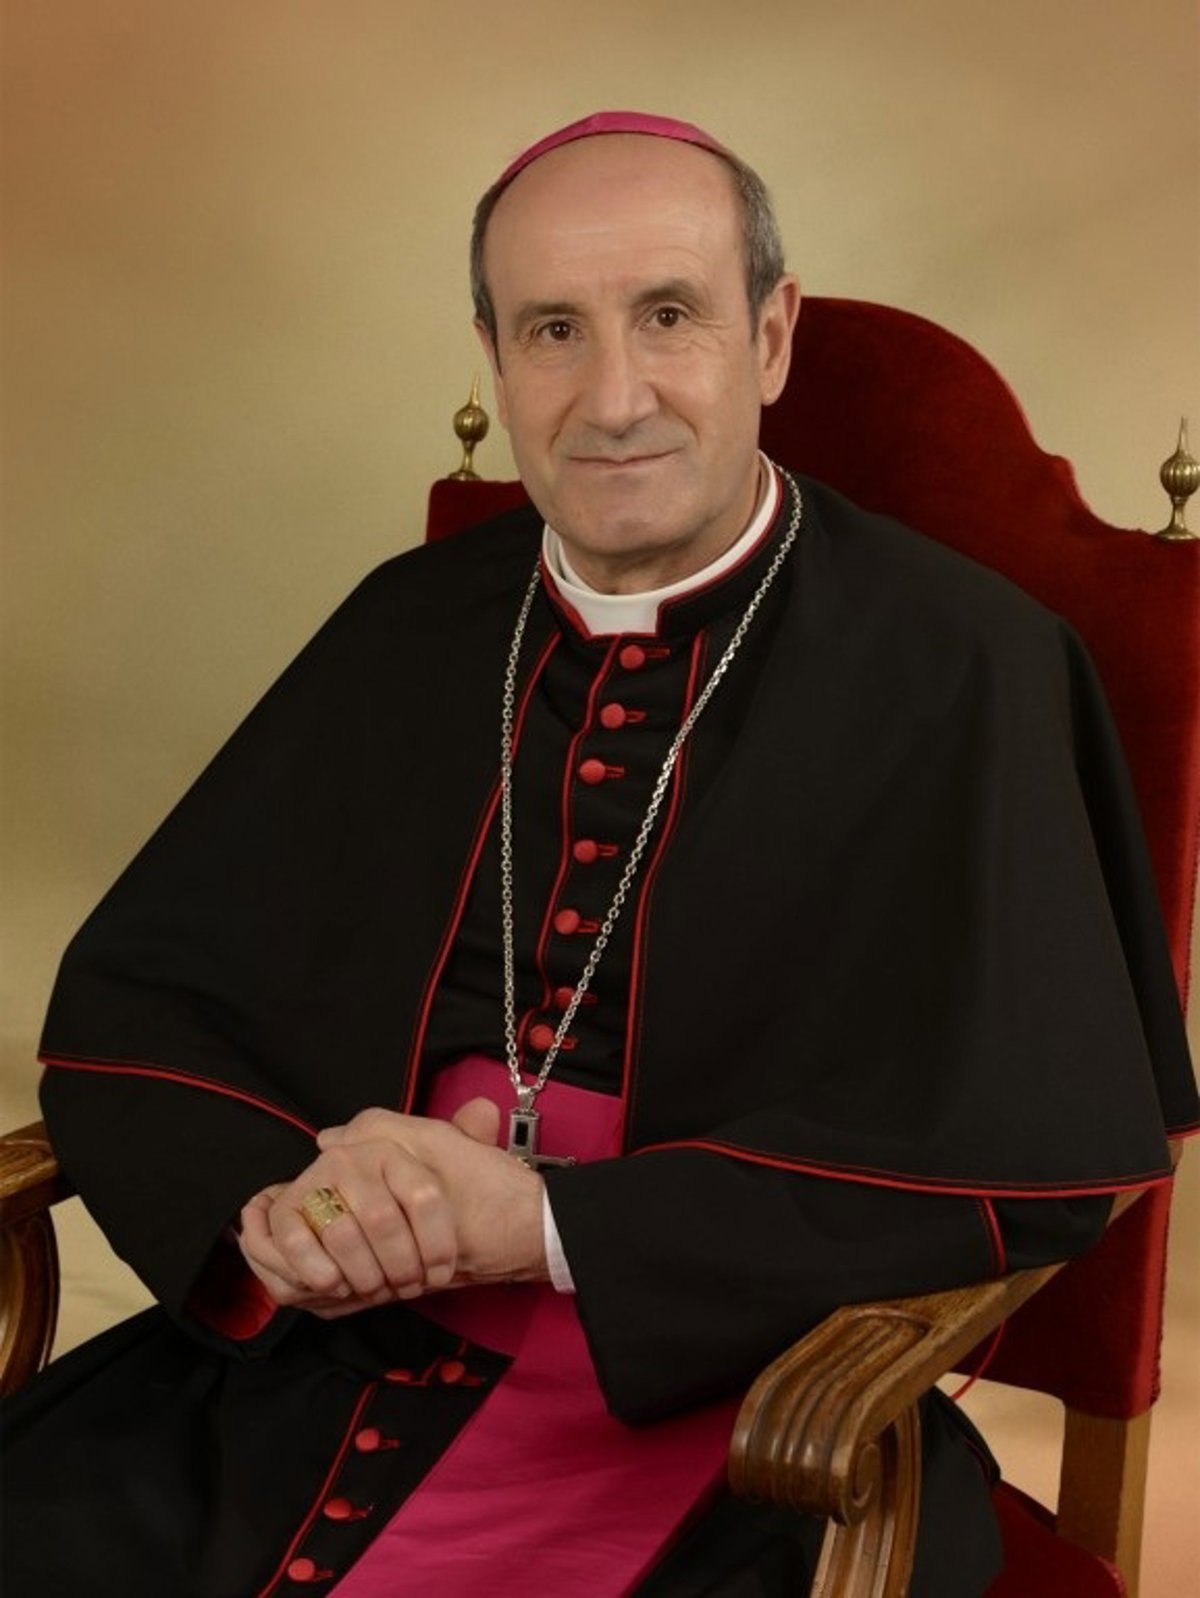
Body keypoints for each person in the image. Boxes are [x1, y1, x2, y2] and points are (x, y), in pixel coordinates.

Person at [3, 111, 1196, 1598]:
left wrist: (557, 1227)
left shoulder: (974, 666)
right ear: (495, 359)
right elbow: (146, 1007)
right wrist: (284, 1210)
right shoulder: (407, 625)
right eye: (554, 329)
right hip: (344, 1347)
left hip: (757, 1394)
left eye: (670, 316)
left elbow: (1040, 1152)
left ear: (770, 337)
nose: (614, 397)